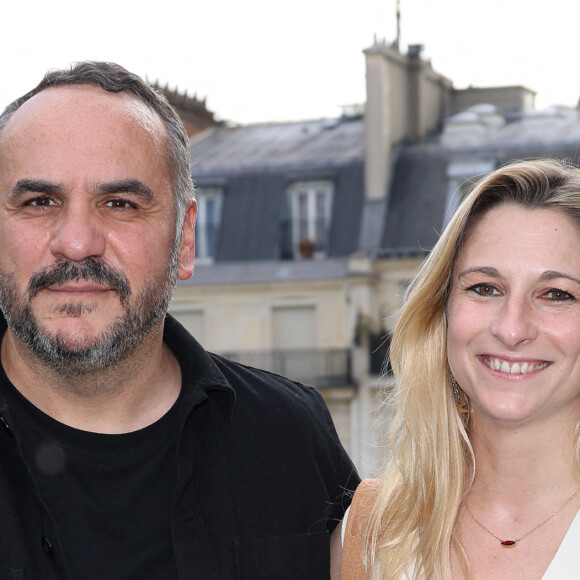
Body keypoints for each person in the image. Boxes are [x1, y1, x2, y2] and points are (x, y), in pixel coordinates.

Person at [0, 61, 359, 579]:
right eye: (39, 201)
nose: (76, 241)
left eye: (119, 203)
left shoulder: (288, 438)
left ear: (185, 239)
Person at [331, 159, 580, 579]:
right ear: (441, 311)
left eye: (556, 294)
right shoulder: (371, 535)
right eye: (485, 288)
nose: (511, 328)